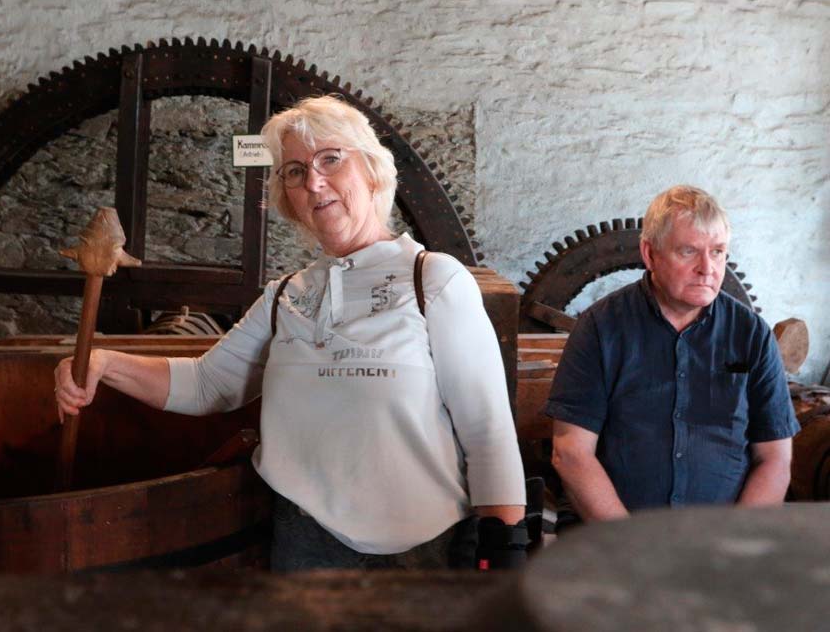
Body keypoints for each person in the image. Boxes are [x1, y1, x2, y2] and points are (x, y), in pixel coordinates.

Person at [55, 95, 527, 570]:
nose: (314, 182)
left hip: (422, 551)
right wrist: (103, 362)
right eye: (295, 172)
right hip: (305, 545)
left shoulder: (433, 279)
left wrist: (503, 546)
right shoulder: (285, 296)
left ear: (371, 170)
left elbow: (486, 425)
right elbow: (207, 384)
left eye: (331, 159)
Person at [547, 185, 799, 521]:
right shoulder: (600, 328)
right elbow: (570, 452)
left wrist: (737, 540)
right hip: (616, 536)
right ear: (650, 254)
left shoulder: (752, 334)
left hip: (723, 538)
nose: (707, 268)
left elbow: (775, 458)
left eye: (718, 252)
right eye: (688, 251)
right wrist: (629, 541)